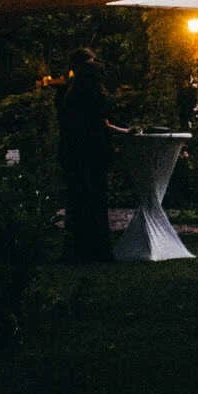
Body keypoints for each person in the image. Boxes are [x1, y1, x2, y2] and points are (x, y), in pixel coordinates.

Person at [55, 47, 128, 262]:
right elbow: (102, 122)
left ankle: (77, 248)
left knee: (78, 199)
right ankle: (97, 248)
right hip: (94, 150)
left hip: (75, 151)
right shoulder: (95, 91)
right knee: (95, 198)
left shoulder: (70, 92)